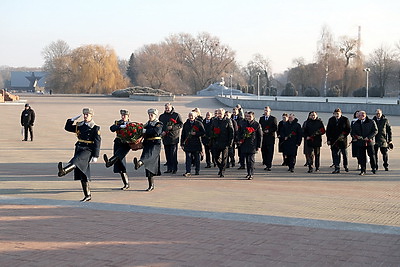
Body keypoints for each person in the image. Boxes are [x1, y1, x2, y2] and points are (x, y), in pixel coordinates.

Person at [57, 108, 101, 202]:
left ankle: (64, 171)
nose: (85, 116)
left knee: (76, 161)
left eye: (87, 115)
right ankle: (88, 195)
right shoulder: (80, 125)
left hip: (88, 149)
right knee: (82, 173)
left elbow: (97, 142)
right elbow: (68, 128)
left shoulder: (95, 127)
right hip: (79, 147)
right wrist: (71, 120)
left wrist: (96, 155)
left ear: (91, 116)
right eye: (84, 114)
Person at [133, 108, 163, 191]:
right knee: (149, 167)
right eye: (149, 115)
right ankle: (151, 185)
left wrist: (145, 130)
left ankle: (139, 162)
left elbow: (157, 131)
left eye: (152, 115)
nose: (150, 116)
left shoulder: (159, 123)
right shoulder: (147, 124)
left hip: (155, 145)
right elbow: (141, 131)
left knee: (149, 156)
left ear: (155, 115)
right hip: (147, 144)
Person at [103, 109, 133, 190]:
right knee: (119, 163)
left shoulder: (131, 124)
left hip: (126, 145)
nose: (123, 117)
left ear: (128, 116)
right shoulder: (118, 123)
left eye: (125, 116)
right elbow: (112, 128)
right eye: (122, 115)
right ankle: (126, 183)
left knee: (119, 157)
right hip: (118, 143)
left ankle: (110, 162)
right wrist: (120, 126)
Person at [351, 110, 378, 175]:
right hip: (360, 142)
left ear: (364, 115)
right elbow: (352, 132)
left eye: (361, 115)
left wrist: (368, 137)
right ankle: (363, 170)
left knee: (372, 155)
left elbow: (375, 131)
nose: (359, 116)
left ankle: (373, 168)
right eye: (358, 115)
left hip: (369, 142)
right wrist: (357, 137)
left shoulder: (371, 122)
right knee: (361, 156)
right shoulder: (356, 123)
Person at [159, 103, 183, 174]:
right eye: (166, 108)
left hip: (173, 137)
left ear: (171, 107)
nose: (167, 109)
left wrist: (173, 127)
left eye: (168, 108)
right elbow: (160, 125)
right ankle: (169, 168)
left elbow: (180, 124)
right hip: (165, 137)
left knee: (173, 154)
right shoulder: (162, 116)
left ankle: (174, 168)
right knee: (167, 154)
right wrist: (161, 132)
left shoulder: (176, 115)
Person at [237, 111, 262, 179]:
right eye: (247, 116)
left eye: (250, 116)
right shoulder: (243, 123)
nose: (248, 118)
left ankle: (251, 173)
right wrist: (239, 140)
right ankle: (248, 173)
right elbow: (239, 132)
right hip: (244, 144)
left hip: (252, 145)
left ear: (253, 117)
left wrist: (259, 146)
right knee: (246, 160)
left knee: (251, 160)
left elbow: (259, 136)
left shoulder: (256, 124)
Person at [210, 108, 234, 177]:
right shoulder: (214, 120)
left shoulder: (227, 121)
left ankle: (222, 171)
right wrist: (213, 135)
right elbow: (211, 129)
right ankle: (221, 168)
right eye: (218, 113)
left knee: (224, 158)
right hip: (216, 142)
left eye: (220, 113)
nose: (219, 115)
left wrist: (230, 142)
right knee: (216, 157)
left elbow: (231, 132)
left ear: (223, 114)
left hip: (225, 142)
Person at [326, 108, 351, 174]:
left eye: (338, 113)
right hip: (333, 140)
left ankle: (345, 166)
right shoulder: (331, 120)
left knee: (344, 154)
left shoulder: (345, 119)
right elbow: (328, 130)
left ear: (341, 113)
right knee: (335, 154)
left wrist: (343, 135)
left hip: (342, 140)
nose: (336, 115)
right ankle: (337, 167)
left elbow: (348, 129)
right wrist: (328, 140)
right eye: (335, 114)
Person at [181, 112, 205, 177]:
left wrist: (196, 133)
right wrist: (182, 143)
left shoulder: (198, 123)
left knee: (197, 158)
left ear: (195, 116)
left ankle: (197, 170)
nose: (190, 117)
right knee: (188, 158)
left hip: (196, 144)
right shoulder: (186, 124)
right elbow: (183, 134)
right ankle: (188, 171)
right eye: (189, 115)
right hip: (188, 144)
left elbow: (203, 132)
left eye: (192, 116)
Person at [258, 106, 278, 171]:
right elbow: (260, 127)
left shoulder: (273, 118)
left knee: (270, 151)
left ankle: (268, 165)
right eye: (265, 111)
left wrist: (269, 130)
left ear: (270, 111)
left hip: (270, 137)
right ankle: (265, 161)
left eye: (267, 111)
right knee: (264, 151)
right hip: (263, 138)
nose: (266, 112)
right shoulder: (261, 118)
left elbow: (275, 128)